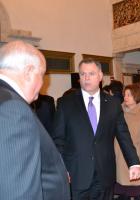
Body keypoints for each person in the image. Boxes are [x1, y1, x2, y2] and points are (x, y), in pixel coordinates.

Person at [52, 58, 140, 200]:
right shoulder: (65, 103)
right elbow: (58, 140)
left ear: (100, 76)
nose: (86, 78)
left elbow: (123, 135)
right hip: (76, 174)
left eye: (91, 74)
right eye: (82, 74)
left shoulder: (113, 103)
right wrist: (61, 167)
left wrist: (134, 162)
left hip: (105, 173)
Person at [0, 40, 70, 200]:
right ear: (28, 71)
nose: (43, 83)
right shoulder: (12, 109)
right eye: (42, 75)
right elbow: (16, 192)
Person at [114, 84, 140, 200]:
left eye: (129, 95)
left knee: (138, 190)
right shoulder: (117, 111)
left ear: (137, 96)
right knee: (123, 191)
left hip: (139, 157)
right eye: (125, 95)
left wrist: (134, 153)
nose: (126, 97)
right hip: (120, 157)